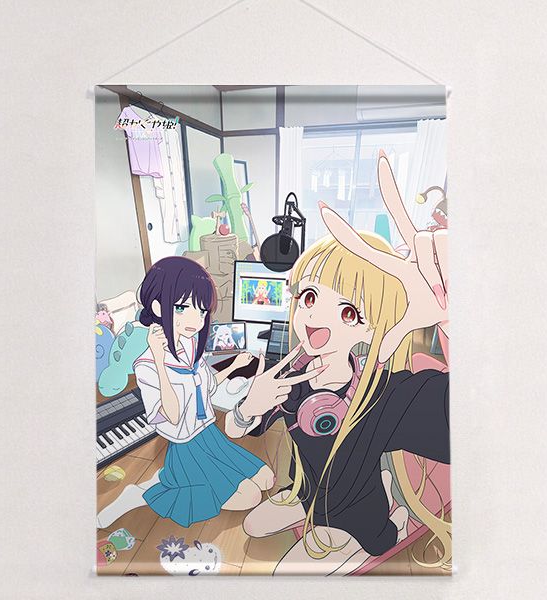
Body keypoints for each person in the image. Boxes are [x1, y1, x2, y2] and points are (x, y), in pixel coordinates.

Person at [225, 152, 451, 574]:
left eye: (348, 312)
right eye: (309, 297)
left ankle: (393, 520)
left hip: (359, 519)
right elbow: (236, 430)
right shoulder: (289, 377)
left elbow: (460, 423)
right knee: (253, 526)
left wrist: (452, 326)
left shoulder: (384, 392)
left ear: (372, 328)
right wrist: (247, 406)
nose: (314, 317)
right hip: (308, 495)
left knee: (283, 576)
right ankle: (317, 501)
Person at [97, 256, 274, 529]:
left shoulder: (190, 345)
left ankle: (163, 479)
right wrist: (159, 360)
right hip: (186, 447)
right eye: (182, 307)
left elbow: (207, 386)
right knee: (250, 496)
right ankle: (143, 493)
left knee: (267, 479)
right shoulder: (146, 365)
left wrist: (235, 366)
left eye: (201, 311)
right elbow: (173, 414)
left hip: (209, 435)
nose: (196, 320)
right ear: (158, 306)